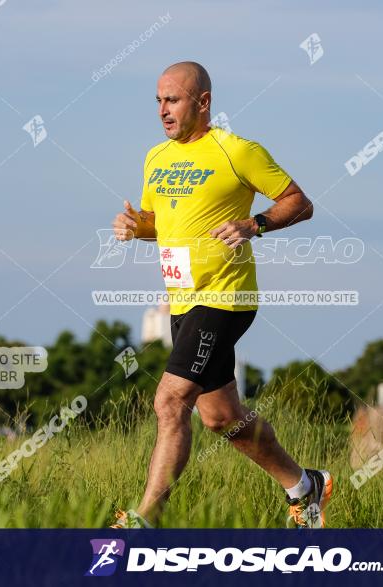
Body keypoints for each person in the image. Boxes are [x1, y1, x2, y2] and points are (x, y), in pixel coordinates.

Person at [110, 61, 331, 529]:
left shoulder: (237, 151)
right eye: (158, 101)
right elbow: (159, 225)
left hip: (225, 299)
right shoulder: (156, 158)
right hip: (184, 301)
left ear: (203, 102)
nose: (163, 111)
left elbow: (300, 202)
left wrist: (255, 224)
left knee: (170, 401)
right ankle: (304, 486)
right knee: (221, 417)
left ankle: (144, 520)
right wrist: (136, 226)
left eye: (173, 100)